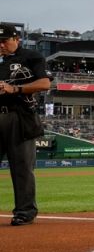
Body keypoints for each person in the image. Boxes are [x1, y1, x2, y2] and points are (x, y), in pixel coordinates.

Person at [0, 23, 51, 226]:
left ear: (16, 39)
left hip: (19, 118)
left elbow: (45, 83)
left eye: (4, 41)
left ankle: (25, 211)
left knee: (21, 167)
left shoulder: (30, 57)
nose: (1, 45)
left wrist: (15, 89)